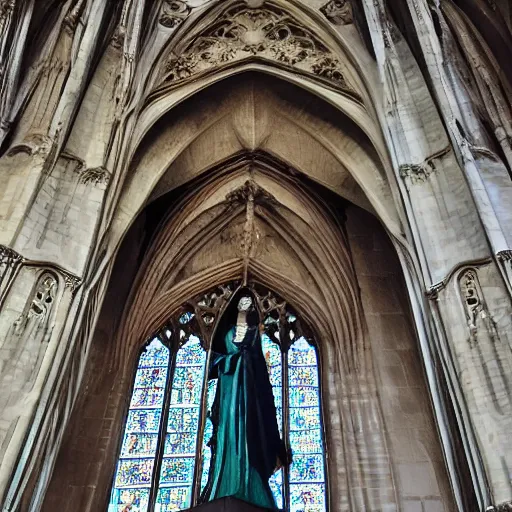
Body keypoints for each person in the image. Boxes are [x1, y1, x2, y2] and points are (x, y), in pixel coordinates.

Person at [202, 292, 290, 509]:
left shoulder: (253, 333)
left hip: (247, 387)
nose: (245, 303)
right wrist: (231, 362)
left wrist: (243, 361)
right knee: (229, 431)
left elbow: (257, 363)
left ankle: (249, 481)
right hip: (229, 388)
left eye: (249, 302)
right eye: (242, 301)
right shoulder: (227, 332)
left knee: (247, 430)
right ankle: (226, 481)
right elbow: (216, 360)